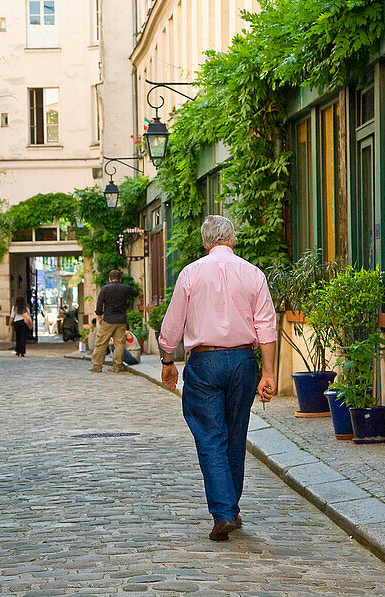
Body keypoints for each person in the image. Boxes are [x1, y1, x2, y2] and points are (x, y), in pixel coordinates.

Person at [157, 215, 276, 542]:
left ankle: (224, 512)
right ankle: (231, 509)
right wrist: (268, 372)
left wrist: (168, 361)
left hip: (205, 361)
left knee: (211, 436)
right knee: (235, 435)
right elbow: (266, 326)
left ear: (205, 242)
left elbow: (171, 326)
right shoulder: (253, 274)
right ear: (233, 239)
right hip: (242, 361)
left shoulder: (191, 274)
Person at [91, 269, 138, 373]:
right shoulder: (125, 288)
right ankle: (118, 366)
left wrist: (99, 315)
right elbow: (135, 293)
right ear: (119, 278)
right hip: (121, 320)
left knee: (101, 343)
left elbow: (99, 303)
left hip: (108, 319)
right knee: (119, 344)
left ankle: (97, 366)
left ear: (109, 278)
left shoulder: (105, 289)